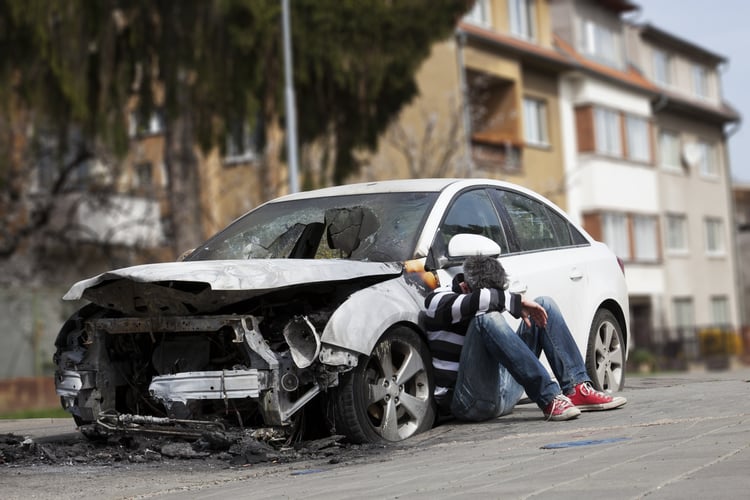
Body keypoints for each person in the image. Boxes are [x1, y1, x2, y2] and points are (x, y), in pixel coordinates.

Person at [423, 254, 626, 422]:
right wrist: (516, 302)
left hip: (503, 391)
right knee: (487, 319)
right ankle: (549, 397)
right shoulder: (438, 300)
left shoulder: (487, 298)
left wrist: (515, 302)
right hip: (469, 402)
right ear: (466, 288)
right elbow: (483, 300)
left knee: (544, 304)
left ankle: (576, 388)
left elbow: (489, 298)